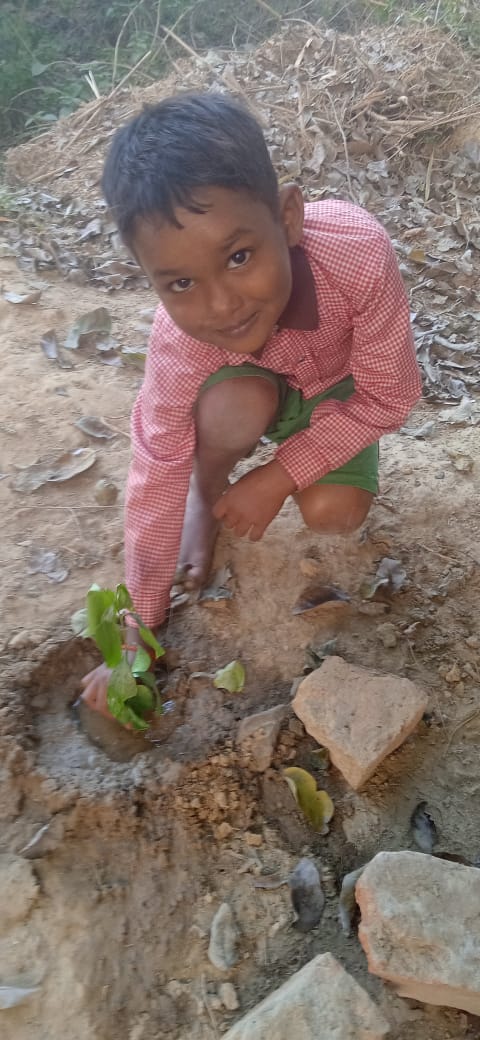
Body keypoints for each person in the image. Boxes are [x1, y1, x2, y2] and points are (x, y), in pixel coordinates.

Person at [80, 91, 421, 717]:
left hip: (337, 389)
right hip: (245, 387)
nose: (220, 305)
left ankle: (261, 475)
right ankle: (205, 498)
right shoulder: (181, 339)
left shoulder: (357, 254)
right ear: (150, 279)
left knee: (334, 512)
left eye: (239, 257)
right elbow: (154, 467)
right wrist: (137, 631)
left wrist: (277, 476)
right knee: (230, 406)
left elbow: (391, 394)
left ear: (288, 216)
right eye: (180, 283)